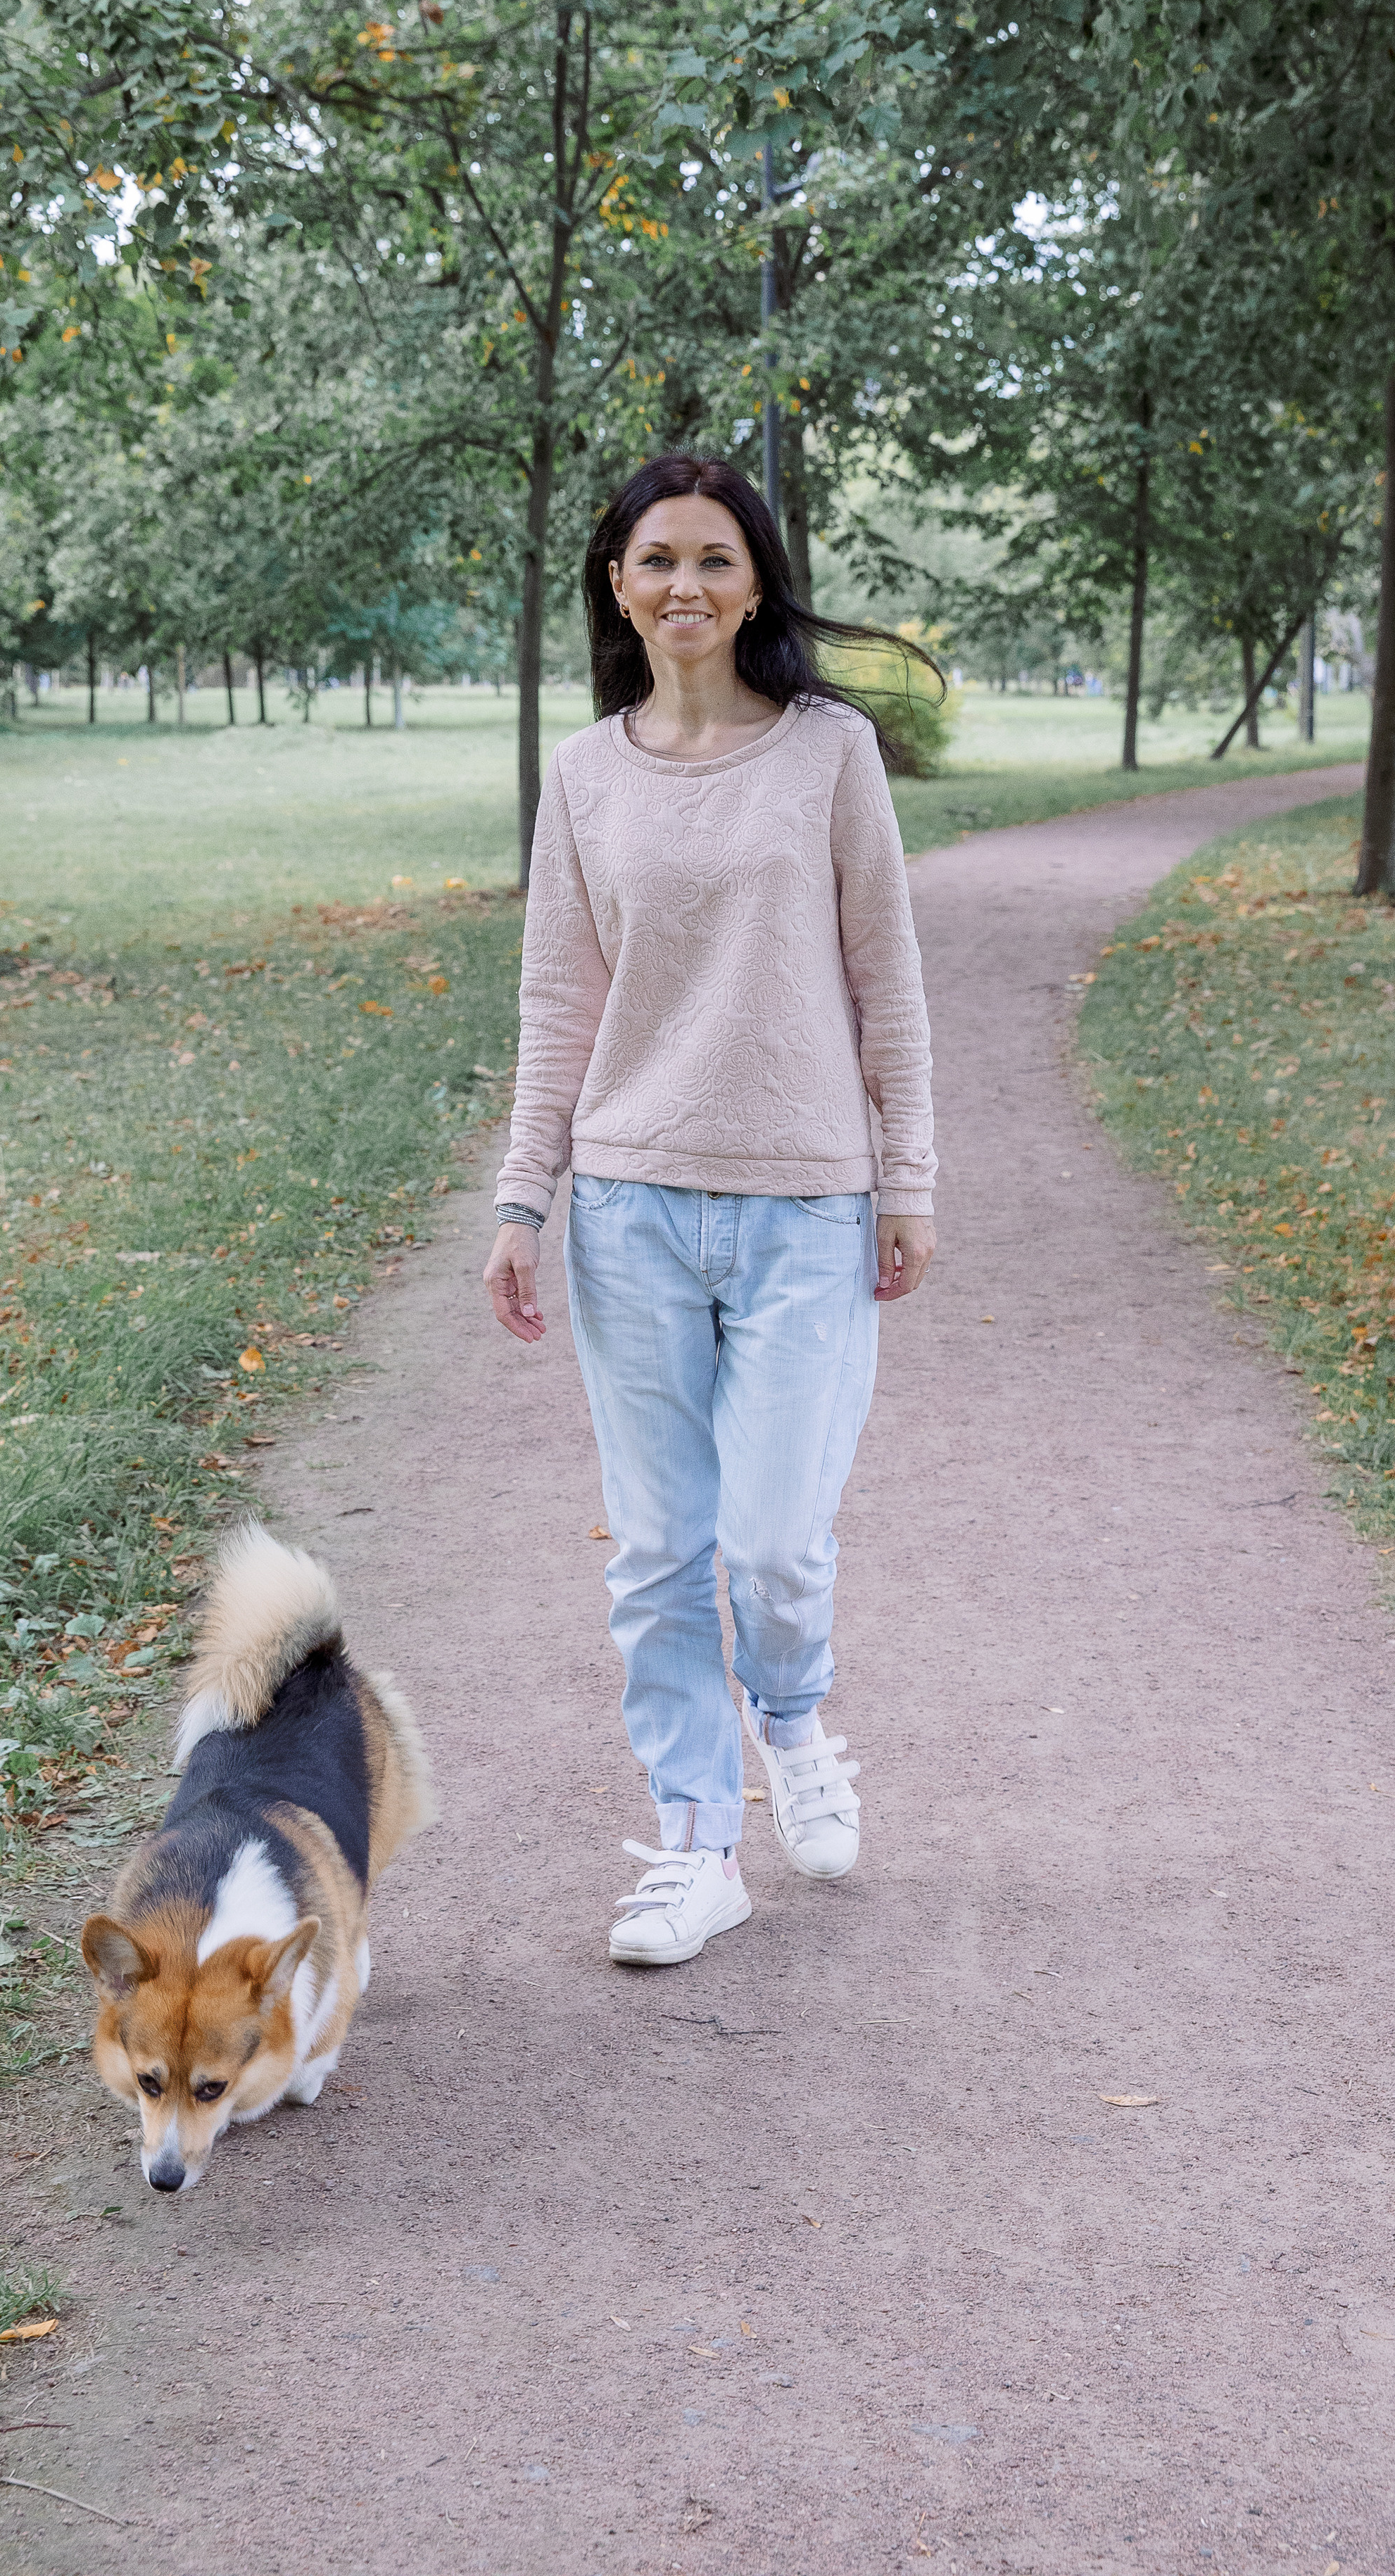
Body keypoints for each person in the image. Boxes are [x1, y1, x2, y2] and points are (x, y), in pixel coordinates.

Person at [483, 455, 938, 1969]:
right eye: (656, 559)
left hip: (804, 1202)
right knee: (661, 1552)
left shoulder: (825, 753)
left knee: (772, 1543)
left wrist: (907, 1176)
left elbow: (886, 977)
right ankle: (695, 1843)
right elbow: (558, 1002)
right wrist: (519, 1196)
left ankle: (793, 1719)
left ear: (755, 584)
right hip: (627, 1212)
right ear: (615, 581)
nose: (685, 585)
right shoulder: (584, 773)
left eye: (716, 561)